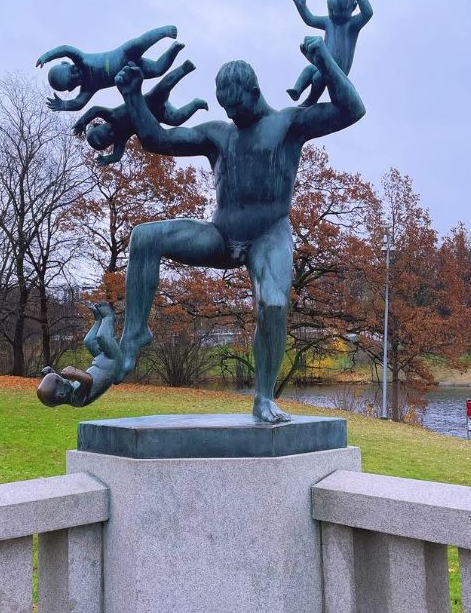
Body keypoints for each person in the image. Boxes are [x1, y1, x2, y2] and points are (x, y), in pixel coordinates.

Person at [111, 35, 365, 422]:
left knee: (274, 304)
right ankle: (132, 338)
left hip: (269, 234)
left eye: (237, 106)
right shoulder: (218, 134)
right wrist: (132, 96)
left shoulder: (289, 123)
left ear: (255, 92)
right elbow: (156, 139)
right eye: (226, 108)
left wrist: (325, 60)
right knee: (145, 237)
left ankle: (263, 398)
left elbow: (353, 110)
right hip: (221, 235)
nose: (232, 115)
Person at [69, 60, 208, 165]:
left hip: (149, 101)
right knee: (176, 119)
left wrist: (82, 121)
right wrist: (106, 159)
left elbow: (94, 110)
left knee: (164, 87)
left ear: (99, 125)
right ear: (111, 142)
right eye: (109, 138)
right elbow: (117, 156)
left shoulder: (111, 115)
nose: (111, 133)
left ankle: (184, 68)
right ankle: (196, 104)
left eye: (106, 131)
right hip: (157, 116)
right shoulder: (121, 139)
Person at [36, 25, 183, 112]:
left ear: (67, 64)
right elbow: (79, 103)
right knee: (157, 69)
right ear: (71, 88)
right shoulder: (89, 87)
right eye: (73, 81)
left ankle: (163, 32)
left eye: (72, 72)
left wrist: (48, 56)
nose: (77, 75)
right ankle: (174, 49)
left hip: (122, 54)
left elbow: (66, 49)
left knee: (140, 43)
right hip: (131, 71)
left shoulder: (82, 59)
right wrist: (64, 104)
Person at [287, 0, 373, 106]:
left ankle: (311, 99)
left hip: (339, 68)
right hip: (323, 62)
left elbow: (368, 13)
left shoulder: (352, 25)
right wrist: (302, 6)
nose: (333, 15)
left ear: (353, 8)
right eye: (331, 11)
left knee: (318, 77)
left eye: (338, 12)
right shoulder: (328, 22)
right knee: (309, 69)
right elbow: (310, 20)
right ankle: (297, 90)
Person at [37, 302, 123, 408]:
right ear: (62, 395)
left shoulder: (68, 391)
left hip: (100, 359)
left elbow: (63, 383)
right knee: (102, 337)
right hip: (112, 362)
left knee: (88, 341)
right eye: (62, 381)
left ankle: (98, 321)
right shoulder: (77, 399)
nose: (65, 380)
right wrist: (74, 373)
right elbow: (87, 380)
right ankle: (108, 317)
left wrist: (50, 374)